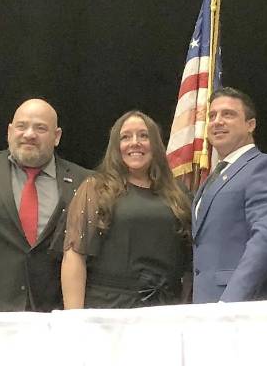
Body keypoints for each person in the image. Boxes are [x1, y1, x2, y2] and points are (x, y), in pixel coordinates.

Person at [0, 99, 90, 311]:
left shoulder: (86, 182)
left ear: (57, 136)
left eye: (40, 128)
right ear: (9, 131)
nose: (29, 134)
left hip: (51, 315)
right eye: (22, 126)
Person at [60, 111, 192, 308]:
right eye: (125, 137)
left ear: (155, 145)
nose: (135, 142)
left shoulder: (178, 193)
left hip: (166, 308)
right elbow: (75, 256)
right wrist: (74, 320)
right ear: (115, 147)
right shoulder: (96, 188)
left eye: (144, 136)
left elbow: (189, 260)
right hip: (110, 309)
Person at [192, 87, 267, 303]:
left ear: (251, 124)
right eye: (212, 116)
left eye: (228, 114)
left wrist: (229, 304)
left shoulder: (266, 167)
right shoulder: (216, 176)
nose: (217, 121)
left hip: (242, 308)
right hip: (205, 306)